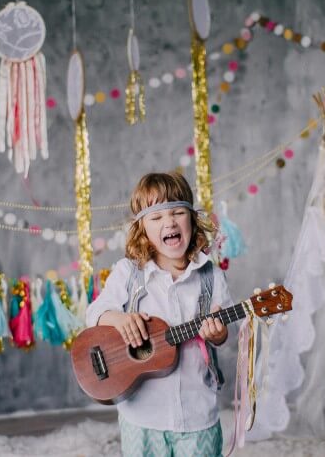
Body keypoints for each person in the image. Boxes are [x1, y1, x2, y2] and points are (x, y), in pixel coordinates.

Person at [85, 171, 233, 457]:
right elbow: (95, 313)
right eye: (157, 218)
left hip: (196, 413)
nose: (169, 222)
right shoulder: (128, 273)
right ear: (142, 228)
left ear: (191, 218)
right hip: (141, 416)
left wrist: (218, 333)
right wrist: (120, 319)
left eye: (178, 212)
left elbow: (222, 332)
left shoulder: (211, 276)